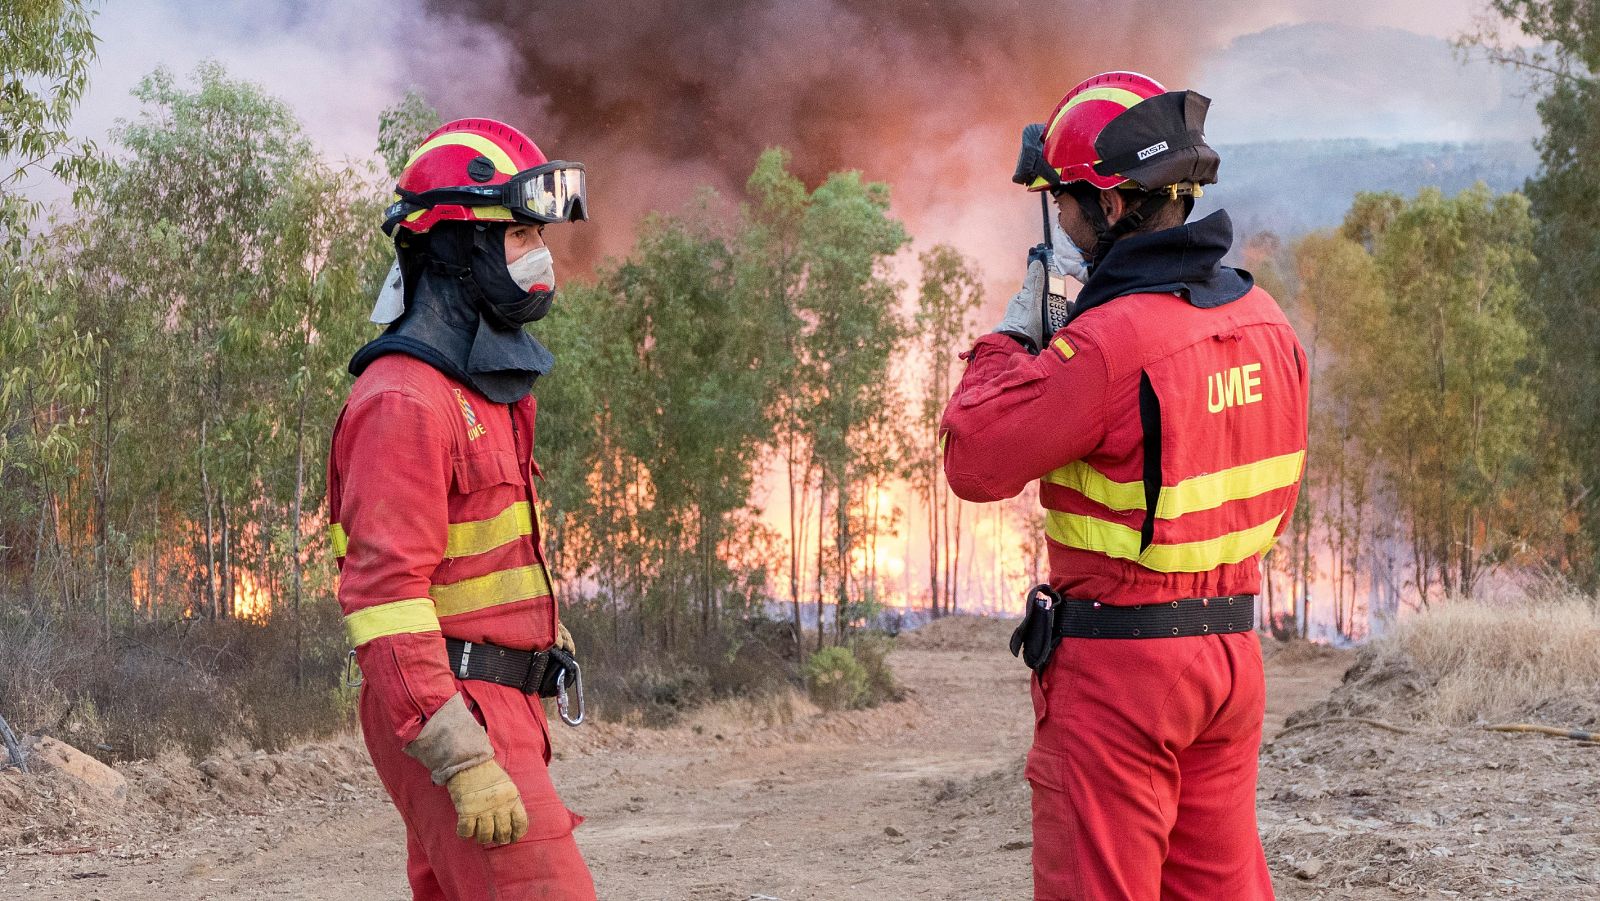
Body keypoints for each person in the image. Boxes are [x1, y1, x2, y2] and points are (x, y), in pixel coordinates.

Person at [940, 72, 1310, 900]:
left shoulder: (1109, 345)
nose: (1058, 224)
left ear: (1110, 208)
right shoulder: (1267, 323)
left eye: (1065, 204)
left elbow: (974, 459)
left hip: (1121, 677)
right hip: (1231, 663)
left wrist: (1015, 331)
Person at [326, 117, 597, 900]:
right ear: (454, 250)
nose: (538, 256)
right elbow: (383, 598)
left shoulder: (480, 390)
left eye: (536, 234)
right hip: (453, 711)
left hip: (500, 702)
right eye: (516, 235)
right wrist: (463, 757)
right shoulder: (404, 400)